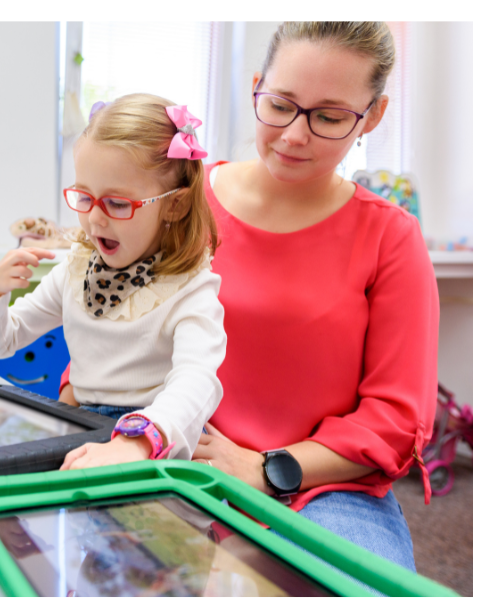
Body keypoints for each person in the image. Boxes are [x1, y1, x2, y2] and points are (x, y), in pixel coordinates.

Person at [59, 22, 438, 572]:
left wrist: (266, 467)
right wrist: (84, 398)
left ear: (372, 116)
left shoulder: (390, 237)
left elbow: (396, 417)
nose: (294, 135)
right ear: (257, 86)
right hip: (163, 454)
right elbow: (113, 309)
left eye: (329, 117)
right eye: (280, 105)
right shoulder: (182, 202)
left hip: (321, 488)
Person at [0, 93, 227, 468]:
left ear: (175, 205)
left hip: (156, 438)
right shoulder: (76, 270)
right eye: (84, 197)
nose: (94, 219)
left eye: (117, 204)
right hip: (82, 426)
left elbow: (196, 383)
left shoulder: (190, 289)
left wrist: (138, 441)